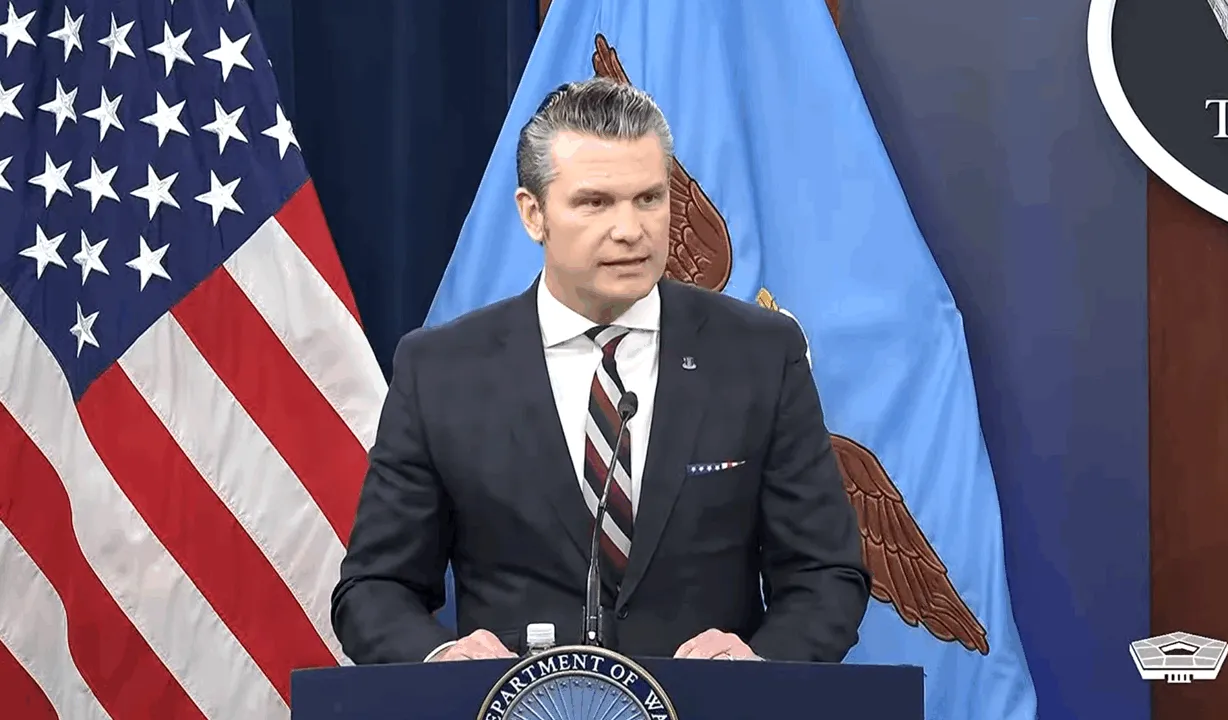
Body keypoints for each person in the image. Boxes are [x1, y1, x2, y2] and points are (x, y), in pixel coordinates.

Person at [331, 77, 871, 664]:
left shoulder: (759, 354)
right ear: (533, 214)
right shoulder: (440, 371)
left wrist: (759, 668)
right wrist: (443, 661)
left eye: (649, 198)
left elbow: (827, 574)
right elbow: (374, 590)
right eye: (595, 202)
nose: (630, 230)